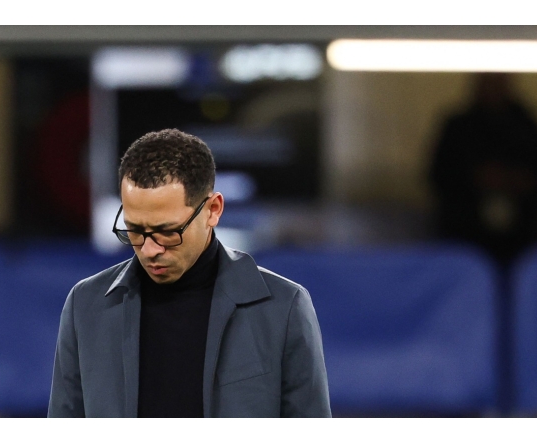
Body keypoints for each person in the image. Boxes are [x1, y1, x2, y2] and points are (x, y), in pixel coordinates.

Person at [47, 129, 331, 418]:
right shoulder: (86, 305)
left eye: (167, 232)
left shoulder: (283, 307)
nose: (148, 249)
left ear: (213, 210)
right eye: (134, 230)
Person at [429, 72, 537, 265]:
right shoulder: (458, 126)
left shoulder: (526, 124)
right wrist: (475, 179)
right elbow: (437, 176)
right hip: (465, 236)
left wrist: (520, 180)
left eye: (499, 80)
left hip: (522, 240)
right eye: (489, 80)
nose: (494, 87)